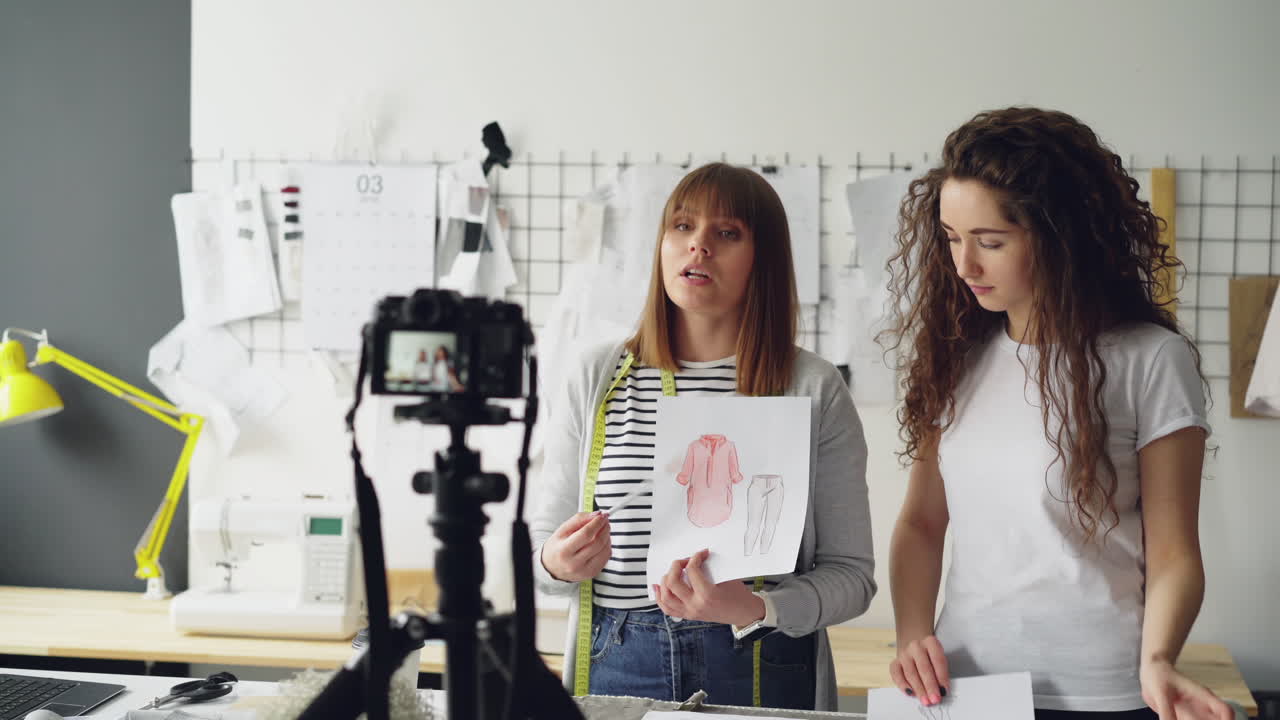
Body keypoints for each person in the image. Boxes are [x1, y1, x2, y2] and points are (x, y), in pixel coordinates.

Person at [882, 107, 1232, 720]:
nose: (964, 266)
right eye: (951, 238)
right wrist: (912, 633)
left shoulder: (1149, 360)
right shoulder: (956, 356)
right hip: (960, 691)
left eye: (990, 242)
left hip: (1106, 692)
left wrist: (1159, 659)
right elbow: (920, 523)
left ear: (1060, 236)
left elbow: (1175, 552)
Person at [530, 162, 876, 710]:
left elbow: (852, 579)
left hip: (757, 662)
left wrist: (756, 610)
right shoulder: (597, 377)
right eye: (682, 227)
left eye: (728, 233)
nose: (698, 247)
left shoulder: (812, 386)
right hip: (617, 660)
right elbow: (536, 558)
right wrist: (554, 561)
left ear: (764, 259)